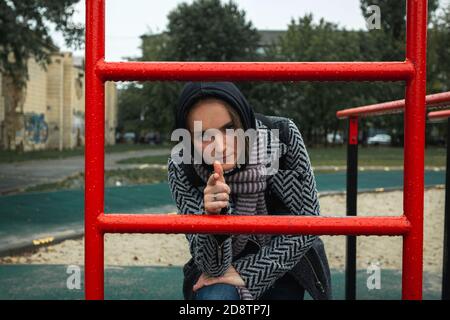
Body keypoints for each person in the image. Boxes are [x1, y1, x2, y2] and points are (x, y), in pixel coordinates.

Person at [167, 82, 331, 300]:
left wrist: (248, 272)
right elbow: (212, 267)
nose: (221, 146)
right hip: (221, 267)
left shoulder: (280, 136)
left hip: (285, 257)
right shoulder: (183, 166)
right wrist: (214, 218)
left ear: (244, 122)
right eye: (203, 135)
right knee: (216, 298)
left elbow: (308, 223)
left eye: (229, 129)